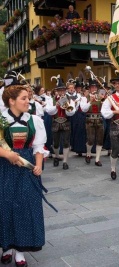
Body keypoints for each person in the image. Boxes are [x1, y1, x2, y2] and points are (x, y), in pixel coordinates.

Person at [0, 78, 51, 267]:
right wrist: (7, 154)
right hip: (4, 167)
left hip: (26, 167)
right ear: (11, 101)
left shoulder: (35, 120)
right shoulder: (0, 119)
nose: (28, 101)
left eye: (28, 98)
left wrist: (38, 165)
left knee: (24, 206)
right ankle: (6, 246)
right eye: (23, 98)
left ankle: (20, 251)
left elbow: (39, 146)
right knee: (5, 205)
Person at [46, 79, 76, 170]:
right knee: (56, 143)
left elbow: (72, 112)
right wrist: (56, 106)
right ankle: (56, 156)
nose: (61, 92)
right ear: (57, 91)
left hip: (66, 121)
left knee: (66, 142)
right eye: (60, 90)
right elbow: (49, 111)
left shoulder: (70, 99)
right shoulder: (52, 100)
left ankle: (65, 161)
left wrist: (66, 105)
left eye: (63, 90)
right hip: (56, 121)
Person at [80, 79, 104, 167]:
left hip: (99, 119)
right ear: (89, 88)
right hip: (89, 119)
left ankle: (97, 159)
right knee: (90, 139)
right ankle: (88, 153)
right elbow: (83, 109)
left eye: (95, 87)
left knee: (100, 140)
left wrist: (103, 100)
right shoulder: (84, 98)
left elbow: (105, 108)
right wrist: (90, 101)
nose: (94, 89)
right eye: (92, 87)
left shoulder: (101, 96)